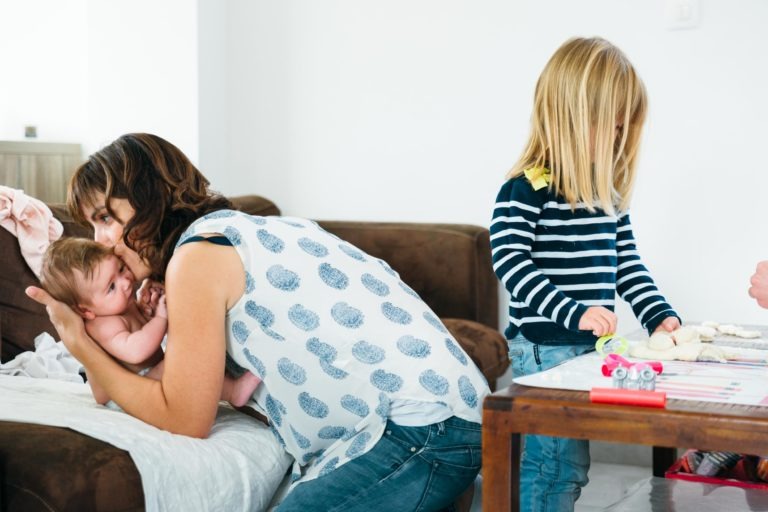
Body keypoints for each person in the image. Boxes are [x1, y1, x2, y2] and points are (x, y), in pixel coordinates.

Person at [26, 132, 488, 510]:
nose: (104, 241)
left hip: (421, 427)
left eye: (107, 218)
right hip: (450, 410)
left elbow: (185, 418)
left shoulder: (197, 258)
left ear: (148, 200)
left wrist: (78, 341)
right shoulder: (245, 230)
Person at [490, 37, 681, 511]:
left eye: (623, 129)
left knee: (569, 464)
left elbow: (627, 265)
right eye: (610, 127)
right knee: (554, 464)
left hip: (582, 346)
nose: (617, 138)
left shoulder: (608, 195)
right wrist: (574, 312)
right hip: (546, 348)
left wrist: (659, 315)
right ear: (572, 118)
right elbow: (511, 264)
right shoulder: (527, 188)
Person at [39, 236, 262, 407]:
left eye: (120, 269)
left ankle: (227, 388)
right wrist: (161, 318)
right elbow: (136, 350)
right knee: (184, 362)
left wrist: (150, 310)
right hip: (128, 394)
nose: (125, 282)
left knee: (186, 362)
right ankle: (232, 392)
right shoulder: (101, 326)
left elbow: (142, 327)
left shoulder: (119, 306)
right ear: (86, 310)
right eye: (111, 287)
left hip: (147, 376)